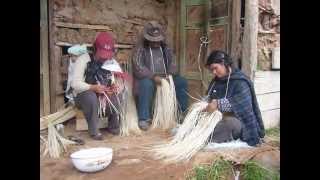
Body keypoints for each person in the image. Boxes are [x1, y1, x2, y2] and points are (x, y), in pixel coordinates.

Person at [132, 21, 189, 130]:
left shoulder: (166, 49)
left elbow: (173, 63)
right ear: (147, 38)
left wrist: (169, 75)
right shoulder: (140, 49)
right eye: (153, 41)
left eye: (158, 40)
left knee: (181, 81)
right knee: (145, 84)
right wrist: (153, 77)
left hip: (166, 77)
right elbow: (138, 67)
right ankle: (144, 118)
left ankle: (182, 114)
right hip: (149, 78)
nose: (156, 43)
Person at [203, 50, 265, 146]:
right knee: (199, 121)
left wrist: (218, 104)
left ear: (224, 63)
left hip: (239, 122)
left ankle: (201, 138)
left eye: (215, 68)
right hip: (217, 119)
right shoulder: (215, 82)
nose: (214, 72)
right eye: (211, 70)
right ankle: (203, 136)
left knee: (230, 124)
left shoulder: (241, 81)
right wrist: (203, 106)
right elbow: (208, 98)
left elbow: (242, 104)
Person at [71, 32, 123, 140]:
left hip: (103, 96)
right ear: (95, 49)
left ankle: (113, 126)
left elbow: (119, 80)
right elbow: (75, 84)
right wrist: (92, 87)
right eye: (102, 54)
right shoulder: (84, 60)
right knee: (90, 96)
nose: (104, 58)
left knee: (118, 96)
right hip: (84, 97)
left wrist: (114, 87)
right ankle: (94, 131)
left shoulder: (112, 62)